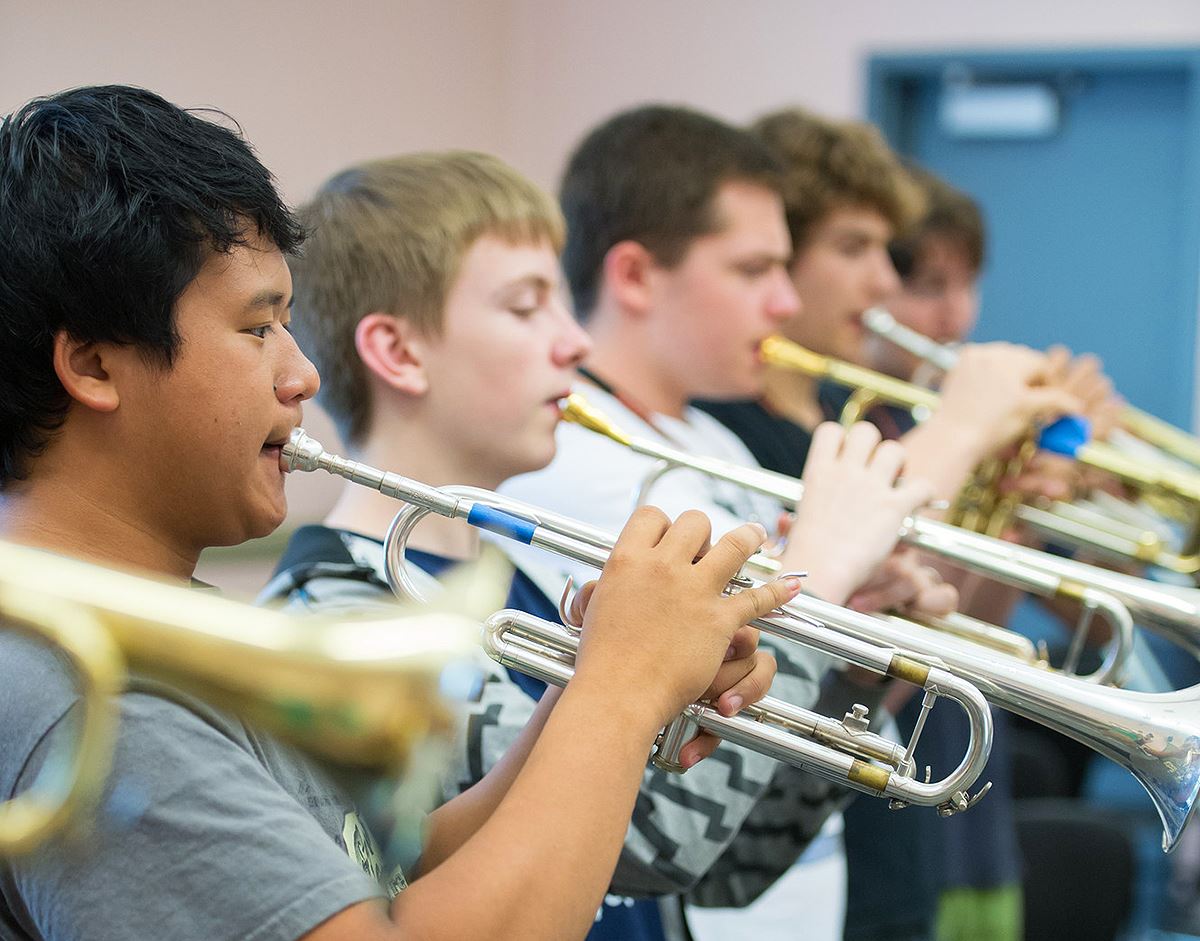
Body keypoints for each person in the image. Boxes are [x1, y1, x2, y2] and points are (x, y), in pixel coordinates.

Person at [0, 84, 798, 941]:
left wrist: (598, 683)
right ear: (92, 364)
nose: (301, 374)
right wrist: (624, 687)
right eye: (257, 327)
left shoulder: (152, 623)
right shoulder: (93, 701)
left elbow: (392, 873)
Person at [263, 150, 784, 940]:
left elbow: (737, 863)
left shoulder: (529, 577)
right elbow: (658, 840)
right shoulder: (334, 613)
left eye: (562, 304)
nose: (575, 342)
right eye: (524, 307)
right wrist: (830, 571)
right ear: (399, 353)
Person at [498, 103, 960, 941]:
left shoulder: (708, 437)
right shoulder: (577, 464)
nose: (784, 301)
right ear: (635, 276)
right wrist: (821, 568)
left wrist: (854, 634)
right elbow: (691, 763)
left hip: (791, 889)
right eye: (754, 270)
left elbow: (787, 701)